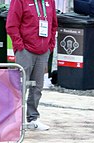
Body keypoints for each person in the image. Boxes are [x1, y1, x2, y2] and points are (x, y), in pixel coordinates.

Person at [6, 0, 58, 131]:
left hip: (43, 51)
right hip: (25, 50)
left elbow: (54, 25)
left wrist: (50, 46)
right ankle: (14, 119)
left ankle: (33, 118)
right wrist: (19, 46)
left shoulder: (49, 1)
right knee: (20, 86)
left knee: (37, 87)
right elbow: (11, 25)